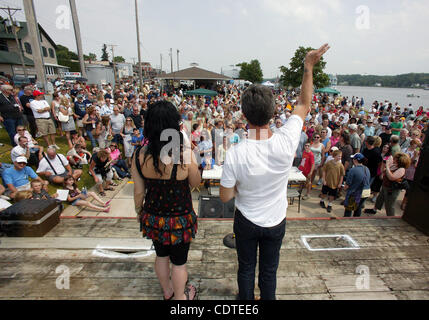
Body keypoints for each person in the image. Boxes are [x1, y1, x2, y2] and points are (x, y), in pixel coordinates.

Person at [220, 44, 330, 300]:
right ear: (273, 113)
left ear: (244, 114)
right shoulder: (287, 138)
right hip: (276, 221)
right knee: (269, 272)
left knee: (246, 268)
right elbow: (304, 103)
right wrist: (308, 67)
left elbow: (225, 197)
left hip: (246, 219)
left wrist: (241, 187)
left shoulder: (236, 152)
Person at [131, 100, 201, 301]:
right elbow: (196, 183)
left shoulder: (139, 155)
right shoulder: (182, 154)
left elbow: (138, 191)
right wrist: (191, 157)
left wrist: (139, 212)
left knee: (161, 256)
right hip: (180, 218)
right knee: (179, 263)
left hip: (153, 217)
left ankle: (168, 292)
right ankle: (181, 298)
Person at [365, 152, 411, 217]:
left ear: (400, 160)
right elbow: (384, 171)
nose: (394, 160)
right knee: (380, 199)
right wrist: (385, 165)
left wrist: (387, 166)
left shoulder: (401, 169)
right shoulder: (394, 165)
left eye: (395, 159)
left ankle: (391, 217)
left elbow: (392, 177)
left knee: (389, 204)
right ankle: (374, 209)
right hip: (385, 186)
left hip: (392, 190)